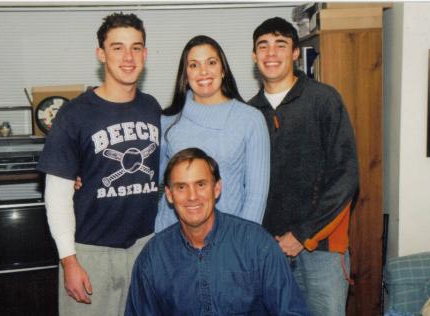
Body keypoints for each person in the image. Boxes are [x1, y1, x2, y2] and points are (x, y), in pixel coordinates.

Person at [36, 13, 161, 316]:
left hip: (144, 249)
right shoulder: (74, 115)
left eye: (136, 47)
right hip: (90, 254)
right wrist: (69, 260)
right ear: (101, 54)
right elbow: (56, 197)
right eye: (117, 48)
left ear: (145, 53)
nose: (128, 57)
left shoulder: (152, 107)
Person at [248, 17, 359, 316]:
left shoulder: (324, 100)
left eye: (280, 45)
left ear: (296, 52)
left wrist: (301, 235)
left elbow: (346, 177)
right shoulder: (247, 113)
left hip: (321, 250)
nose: (271, 53)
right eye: (263, 46)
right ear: (254, 55)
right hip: (268, 252)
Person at [125, 147, 310, 316]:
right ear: (169, 195)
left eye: (201, 185)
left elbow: (292, 311)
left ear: (217, 189)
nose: (192, 196)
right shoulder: (153, 258)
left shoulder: (257, 245)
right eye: (181, 187)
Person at [154, 35, 270, 232]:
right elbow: (149, 179)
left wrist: (242, 243)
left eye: (211, 62)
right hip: (171, 237)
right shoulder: (168, 121)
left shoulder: (250, 119)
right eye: (194, 65)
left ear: (222, 69)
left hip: (229, 239)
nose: (203, 71)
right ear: (185, 75)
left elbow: (256, 196)